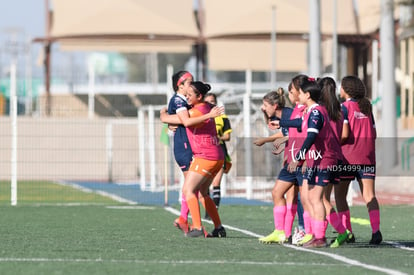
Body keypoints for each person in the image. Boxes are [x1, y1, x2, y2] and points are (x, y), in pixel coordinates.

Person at [160, 81, 226, 238]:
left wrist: (163, 114)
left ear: (199, 96)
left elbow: (184, 120)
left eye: (190, 95)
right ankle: (219, 228)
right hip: (216, 156)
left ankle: (197, 227)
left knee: (188, 190)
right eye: (186, 94)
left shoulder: (196, 112)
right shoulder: (205, 107)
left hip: (205, 157)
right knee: (203, 193)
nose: (186, 97)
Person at [288, 77, 342, 248]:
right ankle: (317, 235)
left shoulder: (317, 112)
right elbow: (300, 126)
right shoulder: (312, 111)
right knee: (311, 197)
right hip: (315, 160)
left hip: (324, 159)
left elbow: (311, 136)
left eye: (301, 93)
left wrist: (298, 158)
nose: (299, 96)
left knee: (316, 198)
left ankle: (320, 237)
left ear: (308, 94)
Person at [258, 78, 308, 245]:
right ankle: (282, 232)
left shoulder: (292, 113)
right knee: (278, 193)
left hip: (301, 160)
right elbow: (290, 133)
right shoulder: (288, 114)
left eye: (265, 105)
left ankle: (305, 230)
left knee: (303, 198)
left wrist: (268, 139)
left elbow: (303, 133)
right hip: (290, 160)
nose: (262, 108)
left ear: (275, 106)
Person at [334, 75, 382, 245]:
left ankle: (348, 232)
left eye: (341, 87)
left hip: (347, 158)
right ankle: (376, 231)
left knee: (339, 195)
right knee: (370, 195)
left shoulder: (344, 107)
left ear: (346, 90)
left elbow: (344, 134)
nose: (339, 90)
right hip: (367, 157)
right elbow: (374, 134)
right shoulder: (367, 108)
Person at [317, 77, 349, 248]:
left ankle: (340, 231)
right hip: (337, 156)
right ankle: (320, 233)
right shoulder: (339, 109)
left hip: (325, 157)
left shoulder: (320, 110)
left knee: (320, 199)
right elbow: (343, 134)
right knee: (323, 198)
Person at [166, 70, 194, 234]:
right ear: (180, 85)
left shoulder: (185, 100)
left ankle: (185, 218)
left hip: (190, 146)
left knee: (192, 186)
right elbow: (186, 121)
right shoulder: (177, 100)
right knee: (192, 186)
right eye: (189, 82)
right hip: (184, 146)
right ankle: (188, 220)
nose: (192, 84)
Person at [204, 93, 232, 217]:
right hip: (205, 154)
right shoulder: (202, 117)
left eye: (213, 101)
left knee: (216, 183)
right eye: (208, 101)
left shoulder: (223, 118)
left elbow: (227, 136)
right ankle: (208, 211)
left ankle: (214, 211)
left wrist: (217, 137)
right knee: (205, 185)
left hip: (220, 152)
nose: (211, 103)